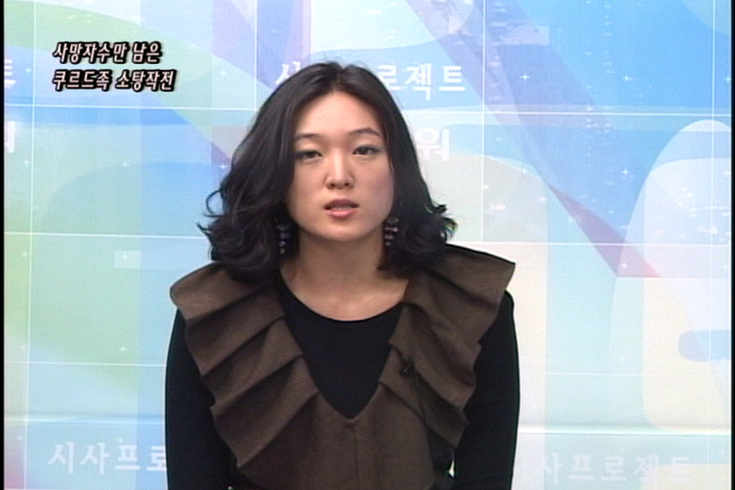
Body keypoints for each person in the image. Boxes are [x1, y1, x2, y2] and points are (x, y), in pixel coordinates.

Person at [165, 61, 520, 490]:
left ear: (399, 167)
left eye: (364, 150)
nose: (339, 176)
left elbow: (487, 478)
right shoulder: (214, 312)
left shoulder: (471, 305)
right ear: (275, 173)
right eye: (309, 154)